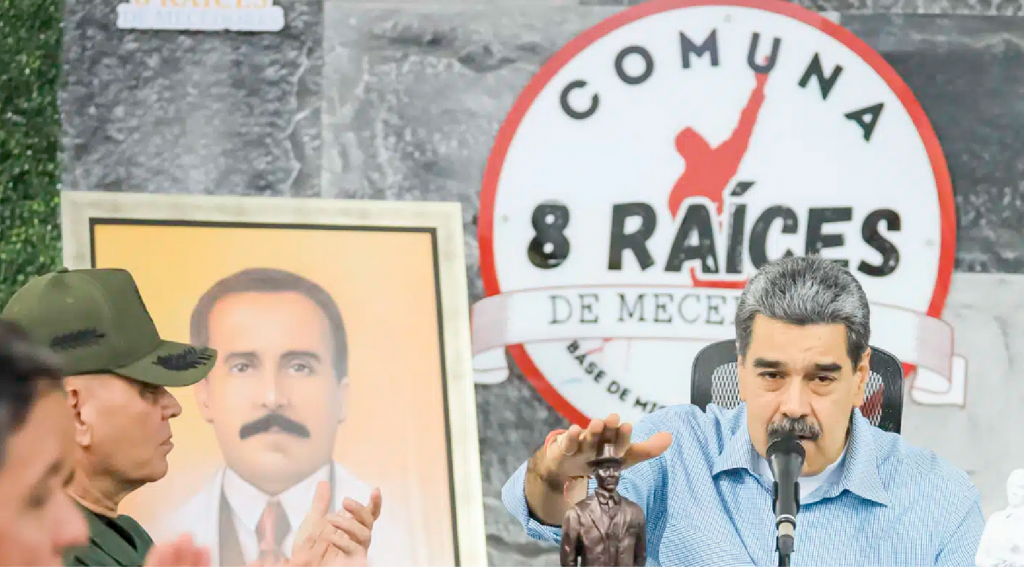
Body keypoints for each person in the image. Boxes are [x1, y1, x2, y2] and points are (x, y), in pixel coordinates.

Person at [502, 255, 985, 566]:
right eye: (772, 375)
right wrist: (553, 478)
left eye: (821, 379)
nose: (793, 406)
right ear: (741, 370)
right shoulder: (675, 450)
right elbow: (558, 521)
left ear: (860, 378)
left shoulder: (940, 500)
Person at [1, 268, 375, 567]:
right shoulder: (46, 550)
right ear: (78, 411)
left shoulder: (127, 537)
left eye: (299, 366)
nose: (172, 406)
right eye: (148, 389)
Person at [159, 268, 400, 567]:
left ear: (342, 397)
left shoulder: (402, 543)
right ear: (204, 395)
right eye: (243, 367)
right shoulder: (160, 540)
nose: (272, 398)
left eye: (299, 367)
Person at [975, 469, 1024, 567]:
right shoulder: (995, 520)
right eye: (1011, 486)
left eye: (1020, 487)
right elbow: (980, 558)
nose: (1014, 492)